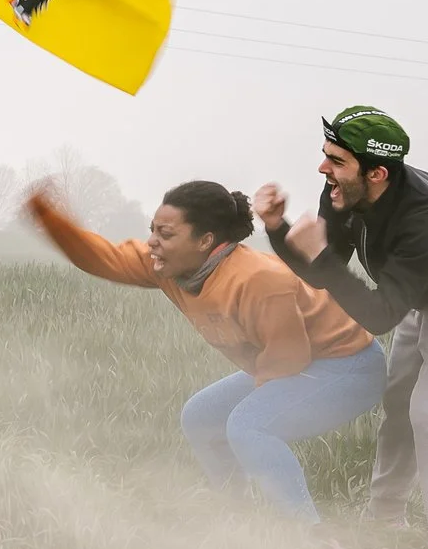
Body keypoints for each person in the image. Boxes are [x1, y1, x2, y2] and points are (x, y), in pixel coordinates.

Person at [24, 178, 385, 525]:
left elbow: (288, 358)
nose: (152, 242)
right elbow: (101, 258)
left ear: (205, 241)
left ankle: (309, 537)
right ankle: (237, 516)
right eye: (152, 230)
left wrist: (258, 412)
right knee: (200, 417)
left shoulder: (258, 279)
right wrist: (49, 217)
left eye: (165, 234)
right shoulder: (166, 267)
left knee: (248, 426)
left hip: (348, 368)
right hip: (295, 363)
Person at [254, 106, 428, 549]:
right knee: (399, 402)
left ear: (377, 172)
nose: (323, 168)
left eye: (336, 160)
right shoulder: (344, 192)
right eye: (326, 155)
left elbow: (381, 315)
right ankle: (384, 520)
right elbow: (325, 270)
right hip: (423, 297)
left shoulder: (424, 220)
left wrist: (318, 256)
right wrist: (276, 228)